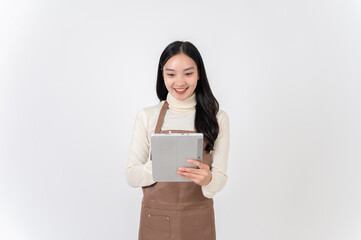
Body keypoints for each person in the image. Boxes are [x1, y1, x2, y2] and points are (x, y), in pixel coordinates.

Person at [125, 40, 230, 240]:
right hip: (156, 220)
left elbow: (221, 177)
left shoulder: (217, 118)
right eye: (171, 74)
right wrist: (159, 167)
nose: (180, 82)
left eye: (188, 73)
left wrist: (208, 180)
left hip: (197, 220)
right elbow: (131, 175)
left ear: (199, 74)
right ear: (162, 74)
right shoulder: (147, 116)